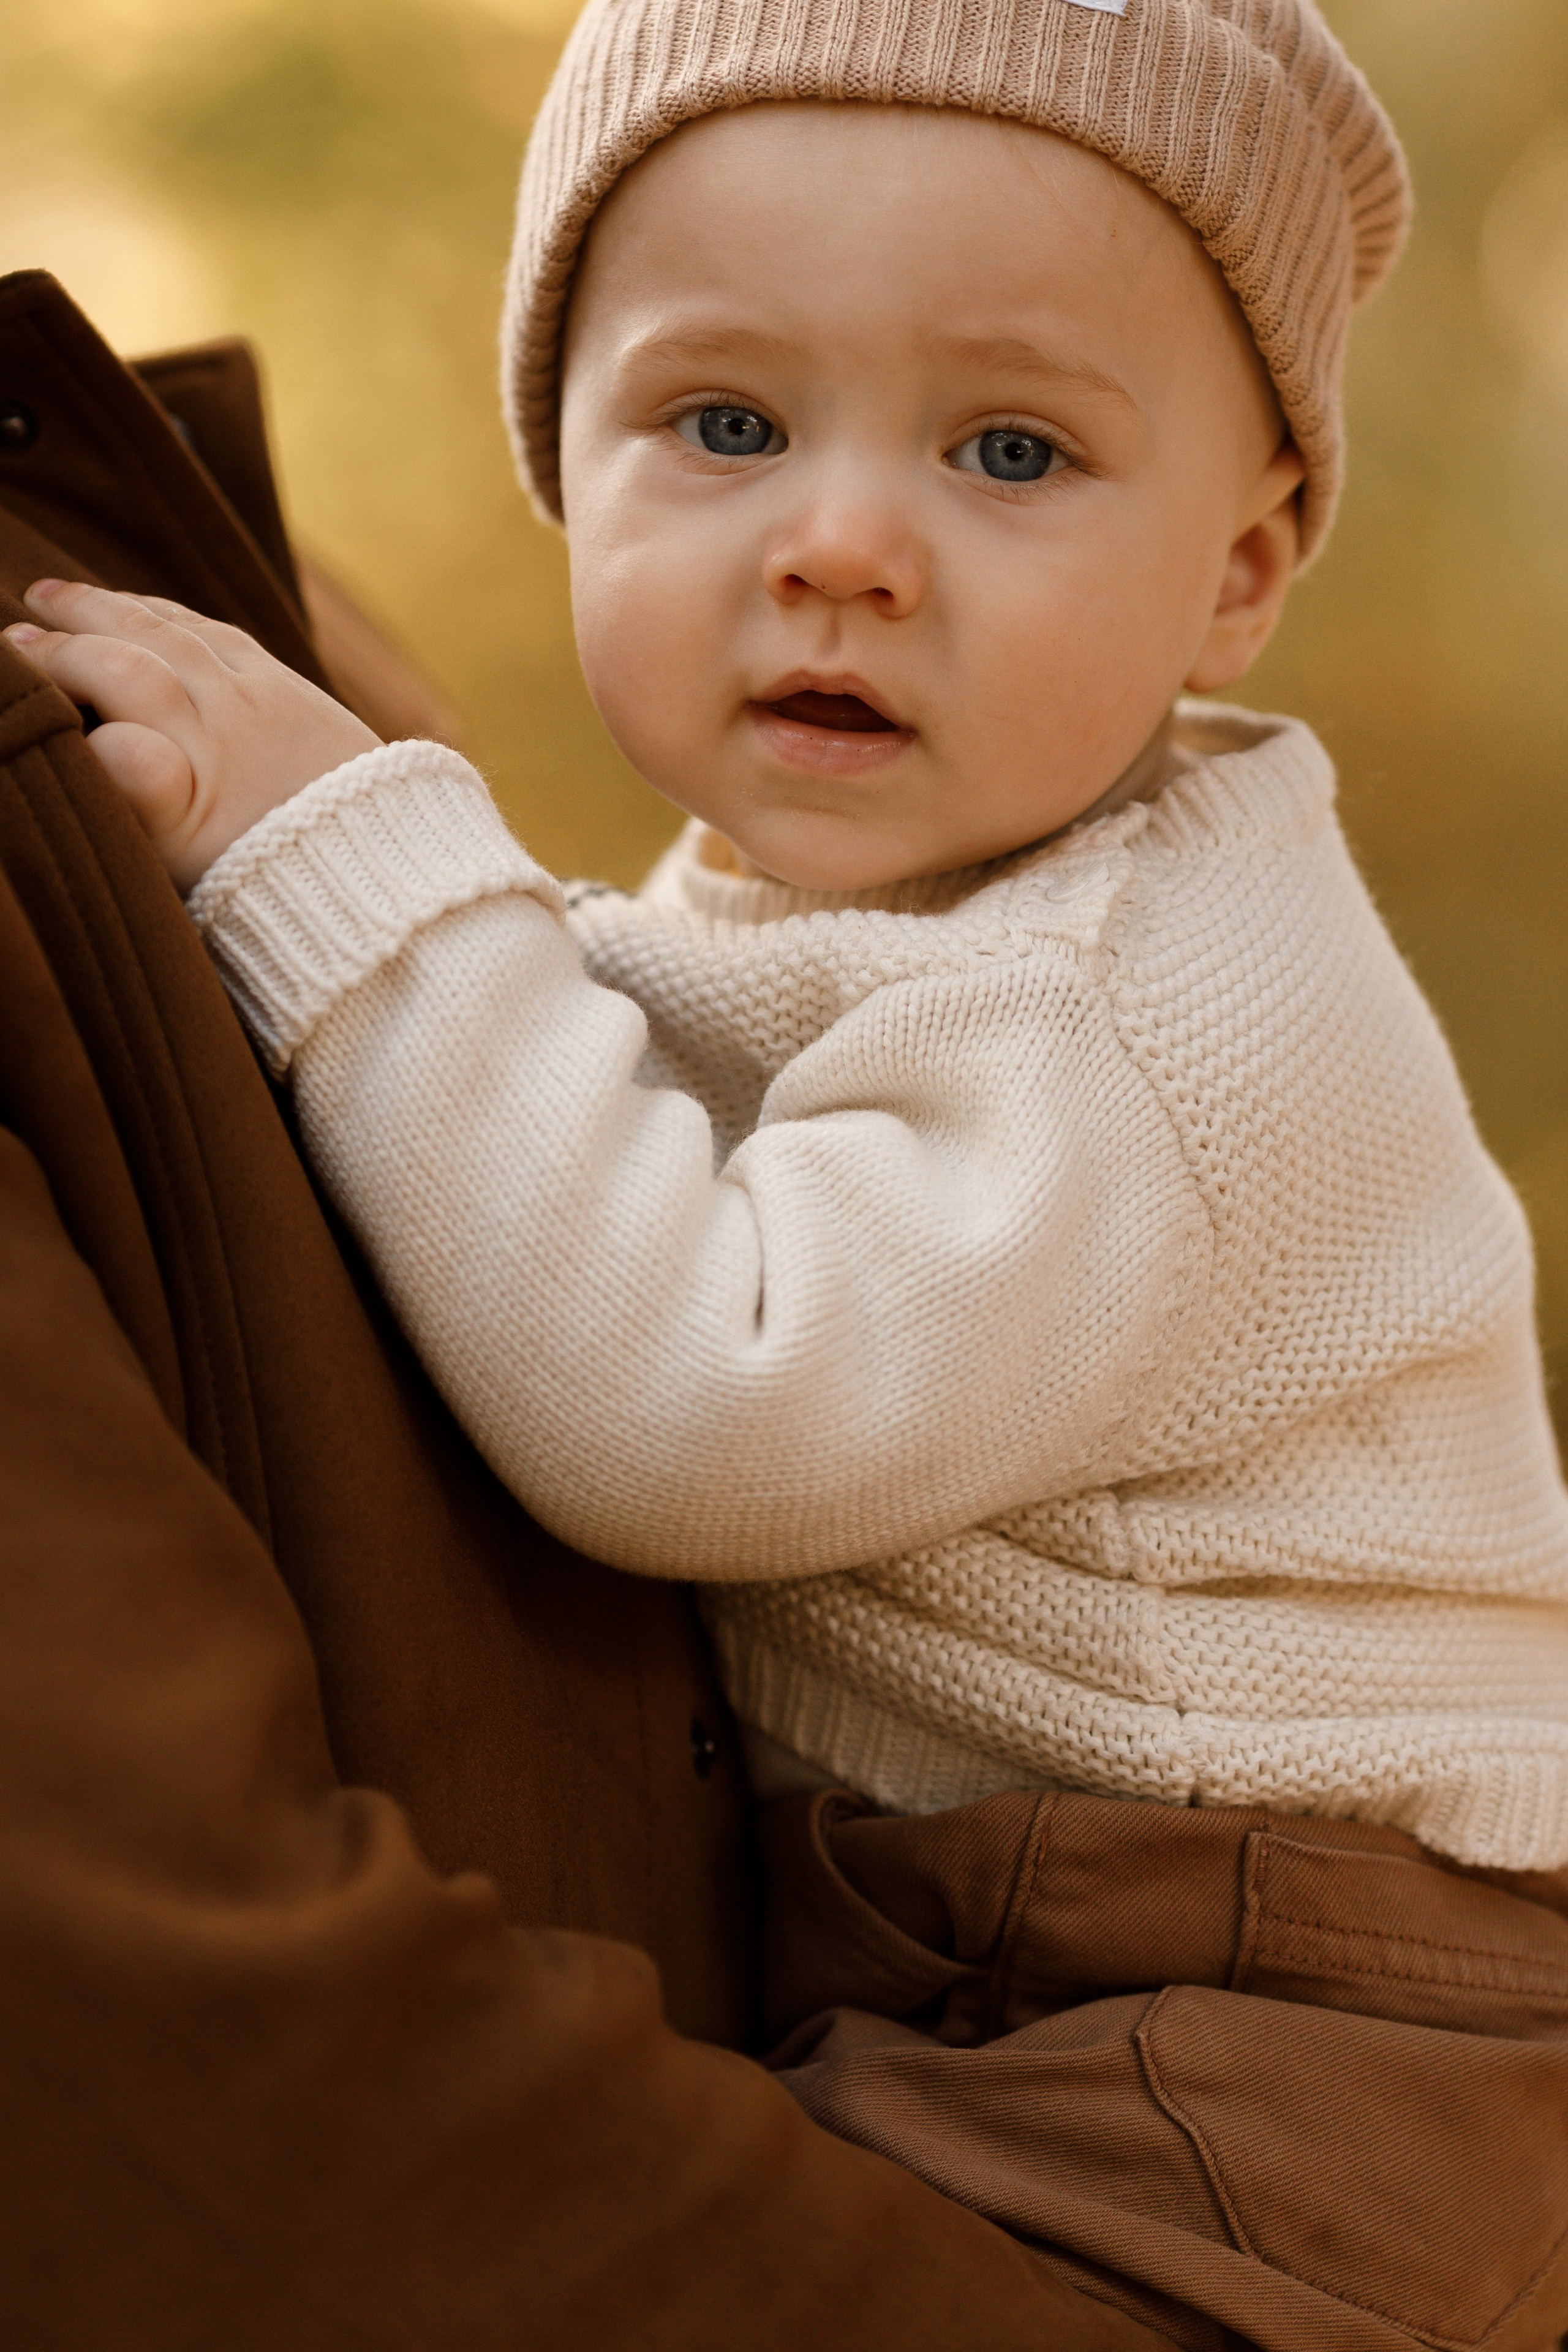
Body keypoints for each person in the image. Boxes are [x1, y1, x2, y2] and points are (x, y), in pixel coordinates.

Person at [7, 4, 1568, 2345]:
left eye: (1012, 449)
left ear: (1240, 575)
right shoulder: (884, 917)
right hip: (1040, 1950)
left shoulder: (1144, 1003)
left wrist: (345, 867)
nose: (842, 544)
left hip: (1266, 2036)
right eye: (724, 424)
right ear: (567, 466)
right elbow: (577, 1114)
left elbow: (697, 1396)